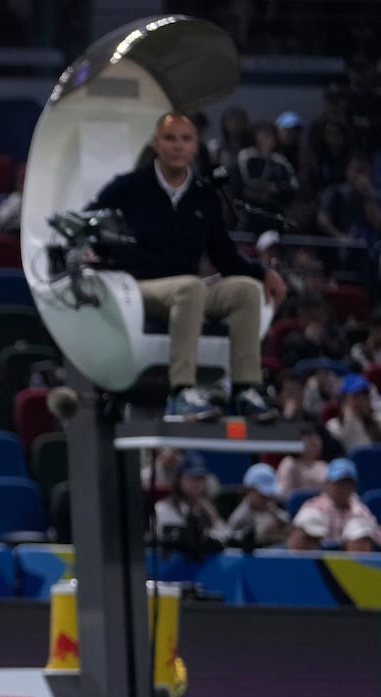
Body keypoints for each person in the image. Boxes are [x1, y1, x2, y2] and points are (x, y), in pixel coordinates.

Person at [88, 112, 286, 421]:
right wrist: (89, 248)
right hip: (138, 289)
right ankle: (181, 393)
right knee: (190, 286)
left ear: (195, 147)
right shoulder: (129, 186)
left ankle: (244, 389)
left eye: (185, 139)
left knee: (246, 291)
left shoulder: (204, 196)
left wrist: (263, 273)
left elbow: (225, 257)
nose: (178, 146)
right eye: (170, 138)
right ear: (156, 144)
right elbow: (88, 223)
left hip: (187, 291)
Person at [286, 458, 380, 552]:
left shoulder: (361, 511)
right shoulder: (312, 509)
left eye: (347, 484)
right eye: (338, 483)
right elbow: (295, 543)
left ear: (354, 487)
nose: (342, 488)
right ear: (327, 483)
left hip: (352, 564)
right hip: (317, 563)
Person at [226, 463, 290, 549]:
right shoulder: (239, 519)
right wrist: (263, 536)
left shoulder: (278, 514)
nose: (267, 500)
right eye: (263, 496)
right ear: (249, 490)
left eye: (270, 496)